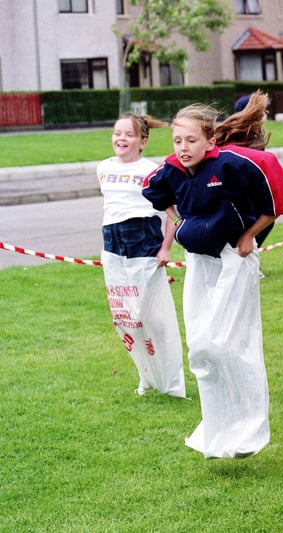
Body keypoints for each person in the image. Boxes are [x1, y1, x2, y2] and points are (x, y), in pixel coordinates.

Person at [142, 102, 283, 458]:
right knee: (202, 348)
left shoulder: (232, 165)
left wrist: (248, 236)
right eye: (177, 140)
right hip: (199, 263)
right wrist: (179, 221)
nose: (183, 147)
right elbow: (157, 194)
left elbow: (273, 206)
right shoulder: (171, 170)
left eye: (191, 139)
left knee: (231, 345)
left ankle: (249, 433)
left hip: (233, 260)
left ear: (210, 140)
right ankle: (218, 432)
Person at [98, 112, 185, 398]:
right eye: (117, 132)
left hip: (144, 240)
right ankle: (145, 374)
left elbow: (170, 212)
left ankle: (171, 381)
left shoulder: (152, 170)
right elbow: (111, 209)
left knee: (152, 316)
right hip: (113, 245)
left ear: (143, 141)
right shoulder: (103, 168)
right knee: (127, 317)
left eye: (129, 134)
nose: (121, 138)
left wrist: (165, 247)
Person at [214, 90, 283, 247]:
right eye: (262, 110)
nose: (265, 114)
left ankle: (251, 255)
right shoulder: (243, 138)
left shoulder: (253, 135)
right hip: (240, 202)